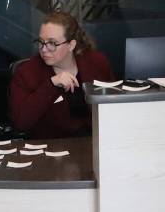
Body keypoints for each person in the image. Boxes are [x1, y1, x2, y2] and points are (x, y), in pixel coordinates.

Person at [9, 11, 115, 139]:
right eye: (41, 42)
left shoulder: (96, 62)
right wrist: (51, 85)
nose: (43, 49)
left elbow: (112, 107)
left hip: (95, 141)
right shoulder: (27, 73)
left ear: (71, 45)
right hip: (51, 147)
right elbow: (21, 122)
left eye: (52, 43)